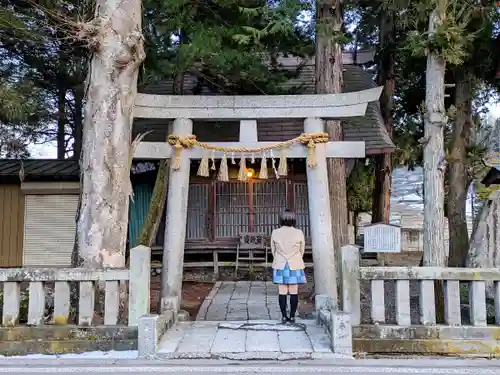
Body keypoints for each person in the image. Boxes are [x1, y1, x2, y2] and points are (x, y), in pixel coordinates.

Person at [271, 209, 306, 323]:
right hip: (294, 264)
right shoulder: (299, 232)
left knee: (282, 291)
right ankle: (292, 316)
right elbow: (302, 250)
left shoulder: (275, 232)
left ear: (281, 219)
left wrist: (281, 258)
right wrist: (295, 258)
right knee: (293, 291)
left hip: (280, 264)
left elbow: (273, 250)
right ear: (293, 219)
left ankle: (283, 316)